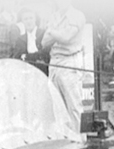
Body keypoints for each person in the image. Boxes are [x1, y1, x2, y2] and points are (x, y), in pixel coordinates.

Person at [42, 0, 86, 130]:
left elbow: (67, 38)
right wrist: (57, 34)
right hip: (54, 61)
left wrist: (52, 31)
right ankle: (65, 142)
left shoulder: (77, 15)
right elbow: (44, 42)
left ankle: (79, 142)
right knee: (58, 107)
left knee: (73, 105)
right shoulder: (53, 16)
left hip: (70, 60)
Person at [15, 7, 49, 75]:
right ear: (22, 21)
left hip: (43, 71)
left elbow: (45, 54)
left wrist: (27, 56)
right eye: (25, 19)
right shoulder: (20, 39)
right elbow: (18, 57)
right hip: (27, 72)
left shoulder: (43, 34)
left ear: (35, 19)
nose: (29, 21)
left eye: (31, 18)